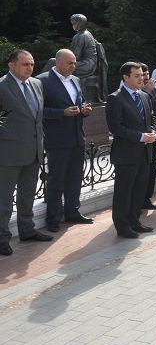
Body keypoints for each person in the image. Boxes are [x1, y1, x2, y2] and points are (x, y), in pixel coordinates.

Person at [0, 50, 53, 255]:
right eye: (25, 64)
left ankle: (27, 230)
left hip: (34, 151)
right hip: (8, 153)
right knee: (4, 200)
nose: (30, 68)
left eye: (31, 64)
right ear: (11, 65)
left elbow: (36, 117)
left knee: (27, 195)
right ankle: (2, 237)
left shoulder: (37, 84)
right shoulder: (2, 86)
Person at [37, 49, 94, 232]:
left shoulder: (76, 80)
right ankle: (53, 218)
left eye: (75, 62)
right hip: (57, 139)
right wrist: (62, 113)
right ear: (58, 62)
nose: (73, 66)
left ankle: (72, 212)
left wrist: (84, 110)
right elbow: (39, 110)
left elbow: (80, 101)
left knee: (75, 178)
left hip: (77, 137)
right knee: (56, 180)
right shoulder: (42, 81)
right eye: (70, 62)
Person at [105, 62, 156, 238]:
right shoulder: (116, 98)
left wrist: (154, 132)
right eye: (137, 76)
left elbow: (151, 119)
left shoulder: (144, 96)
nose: (141, 78)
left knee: (139, 190)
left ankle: (135, 221)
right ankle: (122, 226)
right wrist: (140, 136)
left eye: (142, 75)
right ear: (125, 77)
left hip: (145, 153)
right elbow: (115, 127)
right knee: (124, 192)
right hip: (126, 155)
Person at [139, 64, 156, 211]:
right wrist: (146, 92)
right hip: (140, 139)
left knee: (151, 169)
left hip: (153, 136)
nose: (146, 78)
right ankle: (138, 200)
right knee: (141, 172)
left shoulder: (152, 89)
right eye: (142, 75)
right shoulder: (138, 91)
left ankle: (147, 198)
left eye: (147, 74)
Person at [69, 14, 98, 79]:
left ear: (79, 24)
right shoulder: (88, 33)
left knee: (53, 62)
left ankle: (45, 81)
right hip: (91, 64)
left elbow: (75, 57)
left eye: (74, 23)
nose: (73, 25)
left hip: (86, 65)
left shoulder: (80, 36)